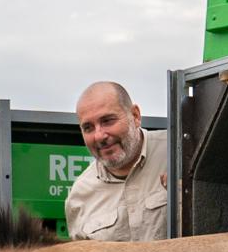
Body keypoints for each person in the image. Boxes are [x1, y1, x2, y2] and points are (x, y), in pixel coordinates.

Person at [64, 81, 167, 242]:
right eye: (88, 128)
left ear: (135, 116)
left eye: (108, 121)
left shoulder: (180, 154)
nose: (99, 136)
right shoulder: (79, 197)